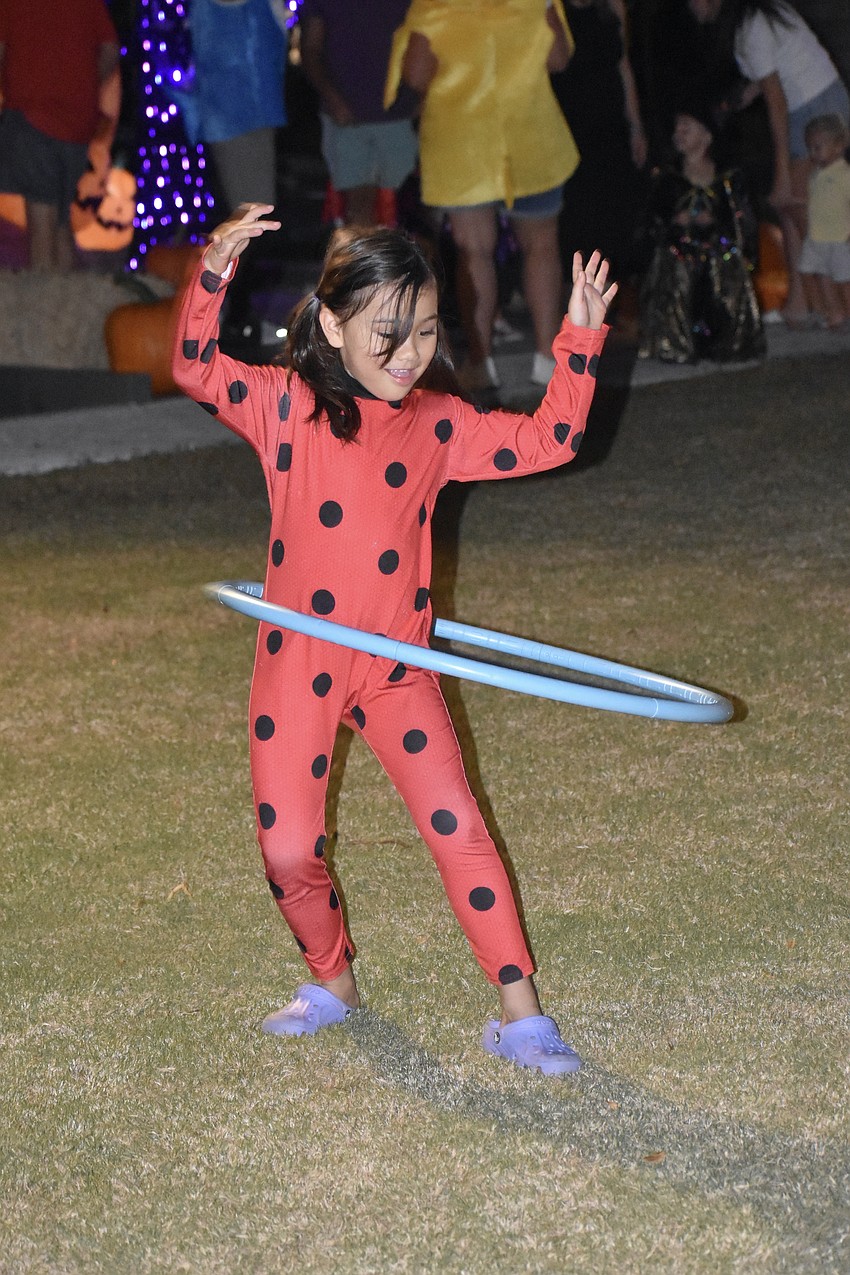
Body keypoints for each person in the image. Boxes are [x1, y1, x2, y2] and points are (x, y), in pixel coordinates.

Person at [172, 201, 616, 1076]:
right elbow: (193, 367)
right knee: (288, 848)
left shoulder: (438, 422)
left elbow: (553, 438)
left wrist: (582, 337)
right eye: (388, 332)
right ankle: (331, 982)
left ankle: (522, 1015)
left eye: (425, 330)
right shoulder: (284, 405)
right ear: (332, 326)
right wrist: (212, 273)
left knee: (459, 830)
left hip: (394, 666)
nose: (410, 352)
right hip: (299, 661)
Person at [384, 0, 581, 393]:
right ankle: (547, 358)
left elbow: (416, 75)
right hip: (531, 138)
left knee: (474, 253)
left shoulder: (434, 4)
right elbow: (558, 59)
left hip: (463, 145)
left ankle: (482, 361)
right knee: (542, 246)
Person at [687, 0, 850, 329]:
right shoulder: (747, 22)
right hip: (806, 104)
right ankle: (800, 304)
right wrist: (738, 99)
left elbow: (776, 101)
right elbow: (769, 77)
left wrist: (783, 174)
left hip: (815, 106)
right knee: (790, 211)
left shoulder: (753, 25)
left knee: (806, 210)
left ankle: (837, 303)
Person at [638, 106, 765, 364]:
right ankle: (678, 340)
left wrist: (716, 222)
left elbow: (741, 219)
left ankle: (725, 337)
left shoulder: (726, 178)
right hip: (680, 250)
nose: (679, 133)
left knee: (724, 259)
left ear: (707, 136)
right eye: (677, 128)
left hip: (716, 249)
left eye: (687, 127)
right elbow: (653, 218)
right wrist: (675, 221)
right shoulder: (668, 177)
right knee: (676, 261)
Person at [0, 0, 119, 271]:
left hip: (31, 116)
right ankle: (67, 293)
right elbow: (110, 49)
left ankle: (45, 294)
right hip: (78, 123)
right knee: (62, 220)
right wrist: (85, 83)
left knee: (41, 223)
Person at [550, 0, 648, 280]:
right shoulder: (553, 9)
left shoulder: (612, 6)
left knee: (612, 221)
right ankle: (575, 293)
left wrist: (636, 126)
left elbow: (624, 65)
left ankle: (606, 298)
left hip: (610, 129)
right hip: (568, 131)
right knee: (575, 222)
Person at [299, 0, 419, 227]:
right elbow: (310, 48)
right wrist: (333, 99)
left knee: (406, 210)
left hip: (400, 116)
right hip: (345, 117)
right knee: (356, 211)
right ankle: (362, 253)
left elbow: (431, 36)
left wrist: (423, 99)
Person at [798, 113, 850, 331]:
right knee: (807, 272)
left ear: (838, 146)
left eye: (817, 147)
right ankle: (824, 312)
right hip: (816, 238)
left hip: (839, 238)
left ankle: (844, 313)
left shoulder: (845, 174)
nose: (812, 153)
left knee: (843, 281)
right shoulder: (815, 174)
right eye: (810, 148)